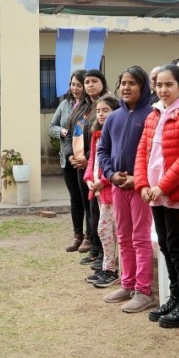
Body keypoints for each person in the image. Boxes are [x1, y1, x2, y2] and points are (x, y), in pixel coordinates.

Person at [134, 64, 179, 326]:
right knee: (164, 245)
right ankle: (174, 297)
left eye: (169, 85)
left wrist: (163, 185)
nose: (163, 90)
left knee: (177, 247)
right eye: (159, 85)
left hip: (172, 194)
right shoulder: (153, 114)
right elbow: (141, 152)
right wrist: (142, 184)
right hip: (153, 192)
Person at [97, 66, 157, 313]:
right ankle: (127, 283)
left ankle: (144, 290)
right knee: (122, 235)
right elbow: (103, 150)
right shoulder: (113, 117)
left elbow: (155, 153)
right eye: (123, 83)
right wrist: (111, 175)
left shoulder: (152, 115)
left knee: (140, 238)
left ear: (142, 87)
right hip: (118, 186)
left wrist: (138, 179)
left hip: (141, 187)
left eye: (132, 83)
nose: (126, 87)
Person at [70, 69, 110, 261]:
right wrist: (74, 155)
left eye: (94, 81)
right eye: (87, 82)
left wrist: (87, 158)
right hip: (83, 163)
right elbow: (76, 133)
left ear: (102, 82)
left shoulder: (108, 104)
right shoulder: (84, 106)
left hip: (97, 164)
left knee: (99, 209)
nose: (89, 85)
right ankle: (94, 247)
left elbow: (102, 139)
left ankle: (101, 251)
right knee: (88, 206)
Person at [49, 70, 89, 252]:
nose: (75, 88)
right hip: (67, 157)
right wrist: (61, 132)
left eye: (79, 85)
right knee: (75, 199)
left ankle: (90, 237)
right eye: (73, 84)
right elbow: (52, 126)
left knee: (86, 199)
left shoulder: (90, 105)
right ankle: (77, 236)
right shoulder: (65, 104)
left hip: (84, 159)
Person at [83, 94, 122, 288]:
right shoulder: (97, 133)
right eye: (98, 111)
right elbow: (93, 160)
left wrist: (103, 182)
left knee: (107, 230)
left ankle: (111, 269)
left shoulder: (118, 134)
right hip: (98, 190)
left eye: (105, 110)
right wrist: (89, 178)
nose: (101, 114)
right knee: (106, 230)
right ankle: (108, 267)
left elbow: (116, 165)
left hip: (110, 191)